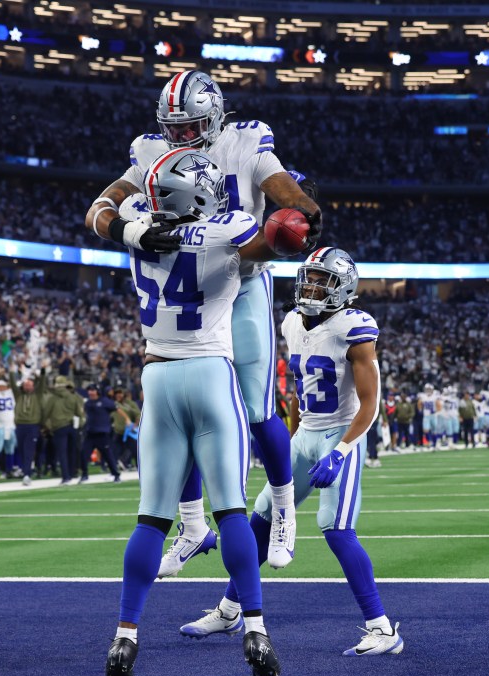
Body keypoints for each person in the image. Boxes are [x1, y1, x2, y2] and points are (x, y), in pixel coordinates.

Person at [86, 69, 320, 577]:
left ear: (215, 116)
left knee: (257, 412)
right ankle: (192, 525)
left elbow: (278, 185)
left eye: (191, 127)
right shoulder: (149, 149)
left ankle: (283, 511)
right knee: (179, 413)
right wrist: (130, 231)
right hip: (183, 291)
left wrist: (301, 208)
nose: (180, 137)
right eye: (174, 128)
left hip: (242, 282)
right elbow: (100, 208)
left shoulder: (245, 139)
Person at [103, 148, 286, 676]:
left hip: (157, 375)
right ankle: (254, 629)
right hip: (210, 372)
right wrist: (292, 211)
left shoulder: (135, 222)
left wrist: (134, 228)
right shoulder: (230, 225)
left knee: (151, 518)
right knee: (230, 510)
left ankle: (125, 638)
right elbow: (274, 243)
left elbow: (103, 216)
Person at [181, 247, 403, 657]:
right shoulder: (290, 322)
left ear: (345, 287)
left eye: (324, 280)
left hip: (343, 433)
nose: (313, 286)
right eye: (310, 278)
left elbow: (370, 403)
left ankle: (383, 628)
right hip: (305, 434)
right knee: (262, 516)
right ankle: (230, 609)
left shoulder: (355, 327)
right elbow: (300, 389)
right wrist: (294, 434)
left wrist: (340, 451)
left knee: (335, 529)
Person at [43, 375, 85, 486]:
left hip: (59, 427)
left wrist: (48, 426)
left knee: (62, 453)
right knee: (72, 452)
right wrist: (79, 425)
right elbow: (79, 413)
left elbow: (46, 414)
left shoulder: (52, 398)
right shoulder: (73, 397)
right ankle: (72, 473)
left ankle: (65, 476)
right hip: (72, 426)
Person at [12, 366, 47, 486]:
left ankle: (27, 474)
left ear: (33, 386)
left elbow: (41, 383)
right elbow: (12, 384)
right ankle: (25, 470)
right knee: (21, 450)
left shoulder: (37, 395)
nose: (28, 386)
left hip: (32, 426)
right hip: (20, 426)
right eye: (26, 384)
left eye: (30, 384)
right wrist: (12, 371)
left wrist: (42, 372)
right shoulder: (18, 395)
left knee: (29, 450)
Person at [81, 384, 122, 483]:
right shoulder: (87, 403)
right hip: (90, 433)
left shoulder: (105, 401)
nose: (90, 392)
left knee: (108, 455)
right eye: (89, 390)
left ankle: (116, 475)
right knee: (83, 454)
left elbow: (117, 409)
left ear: (97, 391)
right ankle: (84, 475)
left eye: (93, 390)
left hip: (102, 434)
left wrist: (126, 420)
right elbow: (85, 414)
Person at [416, 383, 440, 451]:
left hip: (433, 415)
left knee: (434, 431)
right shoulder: (423, 396)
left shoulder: (435, 396)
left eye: (429, 389)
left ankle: (435, 444)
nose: (428, 390)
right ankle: (430, 442)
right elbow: (419, 403)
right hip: (426, 415)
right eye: (427, 389)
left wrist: (435, 411)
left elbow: (439, 405)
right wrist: (420, 409)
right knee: (425, 430)